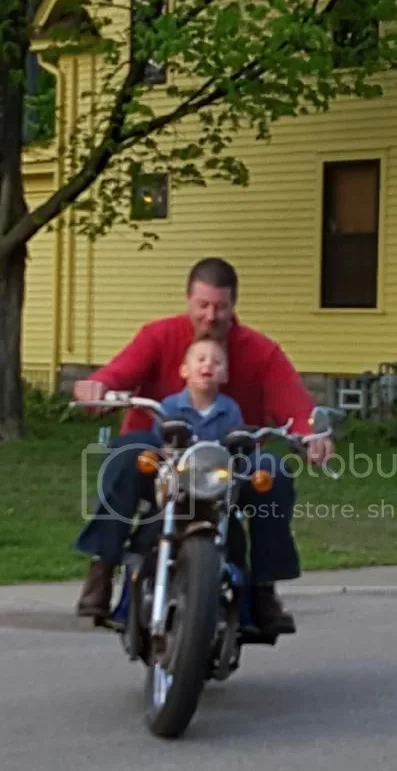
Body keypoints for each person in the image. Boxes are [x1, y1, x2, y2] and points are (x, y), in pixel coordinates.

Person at [73, 256, 334, 632]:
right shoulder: (159, 336)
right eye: (203, 305)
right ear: (189, 301)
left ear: (233, 306)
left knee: (273, 474)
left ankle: (263, 589)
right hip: (164, 456)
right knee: (126, 454)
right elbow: (119, 373)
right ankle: (101, 568)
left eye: (221, 307)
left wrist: (313, 433)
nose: (211, 316)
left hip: (229, 462)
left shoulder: (260, 352)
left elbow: (292, 401)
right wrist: (96, 387)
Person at [151, 336, 243, 445]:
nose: (208, 364)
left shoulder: (230, 409)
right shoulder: (169, 406)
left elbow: (238, 450)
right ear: (184, 371)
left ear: (225, 376)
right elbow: (157, 447)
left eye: (217, 362)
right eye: (201, 359)